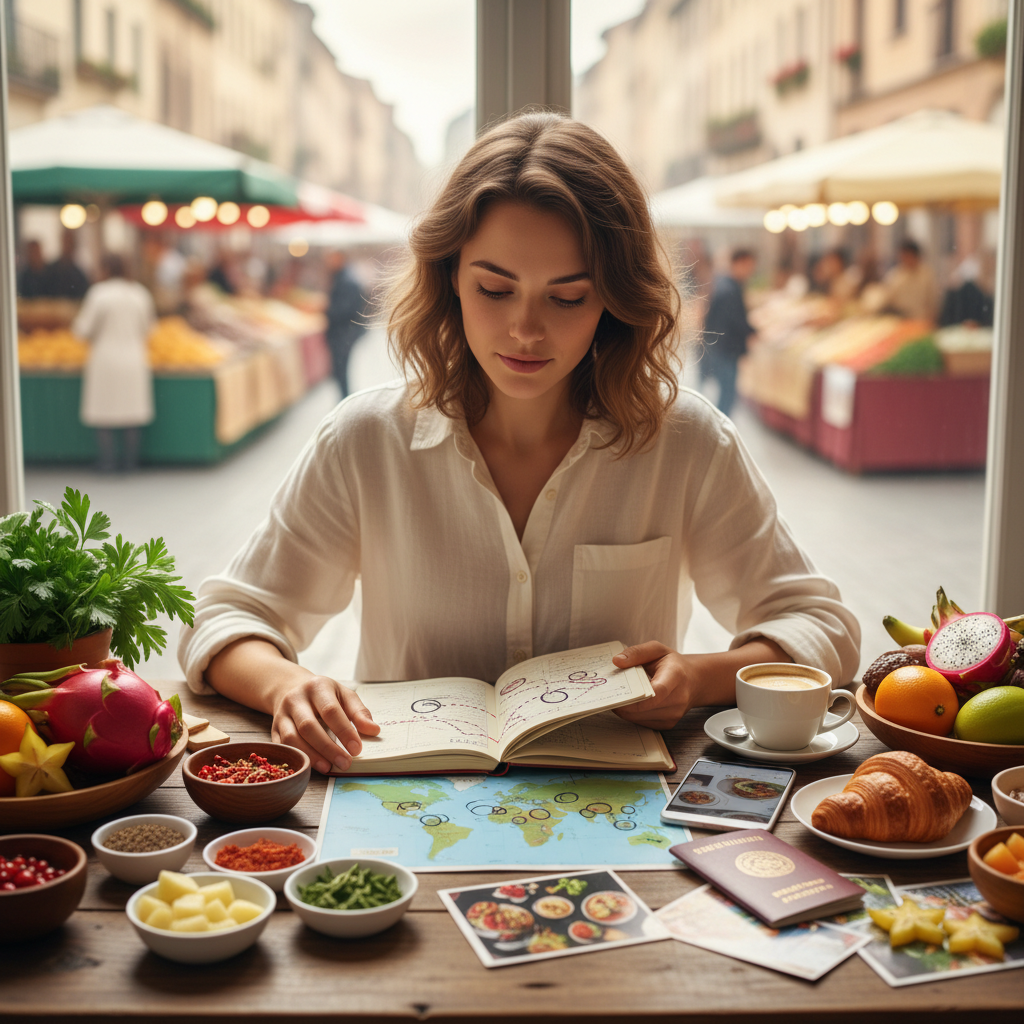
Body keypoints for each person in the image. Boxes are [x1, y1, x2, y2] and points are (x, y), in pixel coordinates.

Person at [178, 113, 860, 776]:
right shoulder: (365, 442)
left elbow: (822, 625)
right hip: (403, 814)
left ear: (615, 301)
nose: (526, 331)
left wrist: (700, 676)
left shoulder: (686, 442)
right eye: (495, 289)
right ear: (450, 278)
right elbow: (223, 618)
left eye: (567, 298)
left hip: (617, 828)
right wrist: (284, 686)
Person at [72, 254, 156, 472]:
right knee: (131, 411)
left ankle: (107, 461)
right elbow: (150, 328)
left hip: (105, 358)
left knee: (104, 411)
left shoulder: (99, 294)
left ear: (106, 269)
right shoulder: (139, 293)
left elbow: (82, 329)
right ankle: (130, 461)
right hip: (133, 357)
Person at [700, 248, 757, 416]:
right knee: (727, 396)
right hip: (725, 350)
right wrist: (751, 331)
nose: (751, 270)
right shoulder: (728, 288)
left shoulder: (725, 285)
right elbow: (733, 321)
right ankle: (719, 435)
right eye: (749, 265)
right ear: (738, 263)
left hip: (720, 348)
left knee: (727, 395)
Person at [324, 250, 367, 398]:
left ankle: (345, 399)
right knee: (340, 371)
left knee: (341, 370)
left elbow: (346, 309)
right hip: (343, 331)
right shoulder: (342, 278)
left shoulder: (347, 281)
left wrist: (326, 309)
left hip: (344, 332)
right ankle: (344, 398)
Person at [879, 240, 939, 322]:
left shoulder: (927, 275)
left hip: (922, 321)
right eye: (903, 256)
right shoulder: (896, 275)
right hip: (901, 321)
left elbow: (933, 302)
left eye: (908, 256)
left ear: (916, 256)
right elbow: (887, 299)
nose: (906, 259)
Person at [45, 230, 91, 300]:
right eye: (66, 242)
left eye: (70, 243)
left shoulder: (79, 273)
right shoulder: (50, 270)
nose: (68, 246)